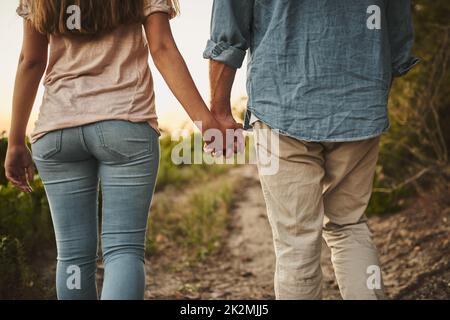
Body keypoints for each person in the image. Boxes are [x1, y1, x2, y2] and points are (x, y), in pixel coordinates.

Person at [4, 0, 239, 300]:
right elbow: (162, 48)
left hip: (58, 131)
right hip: (125, 126)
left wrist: (15, 142)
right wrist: (207, 121)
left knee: (73, 256)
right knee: (123, 251)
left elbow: (31, 60)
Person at [204, 0, 418, 300]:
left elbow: (228, 28)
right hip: (359, 102)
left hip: (282, 102)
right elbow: (397, 27)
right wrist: (369, 93)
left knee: (296, 242)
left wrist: (219, 111)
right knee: (349, 225)